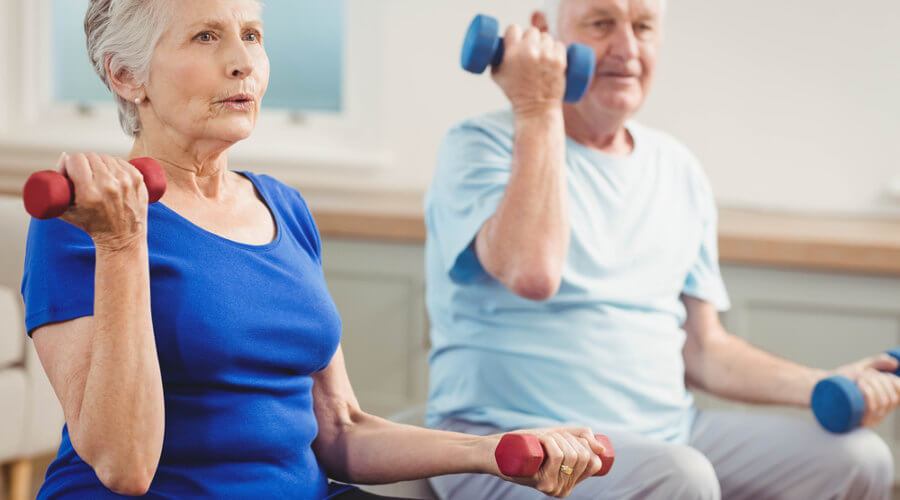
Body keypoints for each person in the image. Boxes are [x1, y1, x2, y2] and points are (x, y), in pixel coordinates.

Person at [22, 0, 608, 498]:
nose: (242, 62)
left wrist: (493, 450)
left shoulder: (285, 208)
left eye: (252, 36)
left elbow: (340, 429)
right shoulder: (84, 221)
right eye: (206, 37)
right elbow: (124, 465)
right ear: (126, 75)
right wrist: (124, 241)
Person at [424, 0, 898, 498]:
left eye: (643, 27)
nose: (626, 48)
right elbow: (533, 271)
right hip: (514, 448)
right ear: (544, 34)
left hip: (668, 438)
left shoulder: (677, 167)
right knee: (680, 476)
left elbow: (704, 349)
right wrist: (538, 104)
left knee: (858, 461)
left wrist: (822, 382)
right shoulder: (478, 144)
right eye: (601, 23)